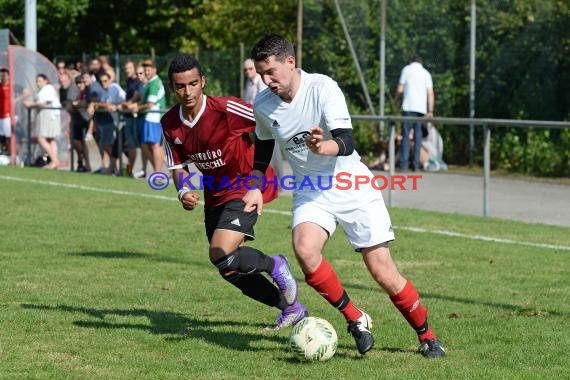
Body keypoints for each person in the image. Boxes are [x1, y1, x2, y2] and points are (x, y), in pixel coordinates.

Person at [243, 34, 445, 358]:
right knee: (305, 250)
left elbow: (347, 140)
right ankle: (355, 319)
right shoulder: (263, 104)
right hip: (310, 189)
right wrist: (255, 183)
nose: (266, 80)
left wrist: (325, 146)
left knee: (382, 271)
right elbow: (264, 145)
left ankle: (428, 336)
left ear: (290, 62)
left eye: (271, 72)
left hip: (350, 182)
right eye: (261, 73)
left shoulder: (323, 88)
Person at [161, 53, 308, 329]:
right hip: (214, 195)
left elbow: (267, 119)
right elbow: (178, 166)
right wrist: (183, 192)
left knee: (220, 251)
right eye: (180, 86)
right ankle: (291, 307)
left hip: (246, 188)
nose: (187, 91)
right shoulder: (170, 123)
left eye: (193, 83)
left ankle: (275, 264)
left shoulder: (227, 109)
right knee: (228, 268)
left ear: (202, 81)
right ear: (172, 87)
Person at [394, 54, 434, 171]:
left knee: (406, 135)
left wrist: (395, 100)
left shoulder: (406, 70)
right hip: (421, 109)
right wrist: (430, 110)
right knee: (418, 136)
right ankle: (416, 164)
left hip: (408, 107)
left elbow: (400, 89)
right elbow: (430, 93)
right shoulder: (426, 73)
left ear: (410, 61)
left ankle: (404, 164)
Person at [24, 74, 62, 169]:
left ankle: (54, 160)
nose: (38, 83)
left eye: (40, 81)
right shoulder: (43, 90)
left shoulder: (48, 88)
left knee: (42, 138)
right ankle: (54, 161)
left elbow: (44, 103)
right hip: (47, 114)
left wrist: (30, 104)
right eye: (37, 81)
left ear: (46, 80)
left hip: (48, 115)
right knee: (50, 138)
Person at [137, 59, 166, 174]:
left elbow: (150, 104)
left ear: (155, 70)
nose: (146, 73)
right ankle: (160, 171)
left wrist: (137, 108)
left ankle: (158, 172)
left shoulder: (154, 83)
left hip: (153, 117)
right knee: (146, 145)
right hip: (150, 117)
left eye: (148, 70)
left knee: (154, 145)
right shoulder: (150, 82)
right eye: (145, 70)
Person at [119, 59, 145, 177]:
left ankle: (130, 170)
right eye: (125, 68)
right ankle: (130, 169)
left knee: (140, 145)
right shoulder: (129, 81)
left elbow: (136, 96)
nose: (126, 70)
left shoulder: (138, 82)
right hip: (130, 116)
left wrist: (126, 104)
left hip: (136, 117)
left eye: (129, 68)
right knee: (132, 145)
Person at [0, 68, 12, 155]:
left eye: (4, 75)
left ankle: (11, 154)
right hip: (0, 115)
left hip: (7, 116)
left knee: (8, 137)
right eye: (1, 75)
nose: (3, 77)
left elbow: (26, 92)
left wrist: (15, 101)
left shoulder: (12, 86)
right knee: (2, 137)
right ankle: (4, 154)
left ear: (8, 76)